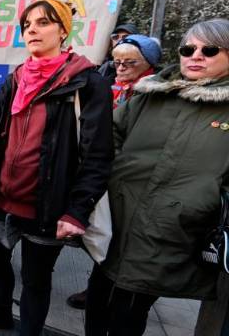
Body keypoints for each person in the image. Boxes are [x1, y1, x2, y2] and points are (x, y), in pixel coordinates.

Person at [0, 0, 113, 334]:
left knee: (35, 280)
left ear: (63, 30)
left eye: (44, 22)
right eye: (27, 24)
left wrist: (76, 211)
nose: (32, 29)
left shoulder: (87, 83)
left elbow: (97, 156)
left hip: (46, 208)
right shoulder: (16, 79)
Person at [85, 18, 229, 336]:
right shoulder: (153, 95)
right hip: (118, 222)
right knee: (97, 300)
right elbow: (107, 139)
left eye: (210, 49)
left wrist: (199, 202)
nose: (196, 55)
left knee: (129, 312)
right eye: (188, 48)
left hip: (172, 235)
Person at [65, 33, 162, 310]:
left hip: (133, 181)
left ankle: (113, 293)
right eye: (117, 61)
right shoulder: (110, 87)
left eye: (128, 62)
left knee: (121, 240)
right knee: (105, 235)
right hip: (105, 174)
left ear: (148, 63)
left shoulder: (152, 93)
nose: (120, 67)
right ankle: (99, 288)